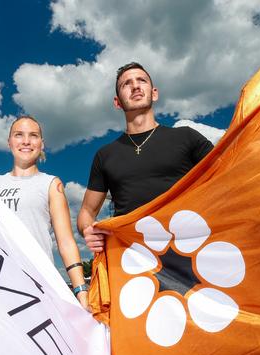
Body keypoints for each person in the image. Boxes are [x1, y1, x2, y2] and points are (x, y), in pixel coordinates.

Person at [77, 62, 214, 252]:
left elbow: (227, 176)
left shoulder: (187, 138)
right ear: (117, 102)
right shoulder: (105, 155)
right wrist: (88, 230)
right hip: (132, 258)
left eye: (141, 80)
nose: (135, 86)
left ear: (154, 93)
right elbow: (86, 211)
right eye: (126, 84)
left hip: (189, 249)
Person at [0, 116, 90, 311]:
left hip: (38, 284)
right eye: (19, 135)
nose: (26, 141)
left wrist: (81, 290)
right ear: (9, 142)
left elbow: (66, 242)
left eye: (33, 136)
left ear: (41, 144)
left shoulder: (51, 184)